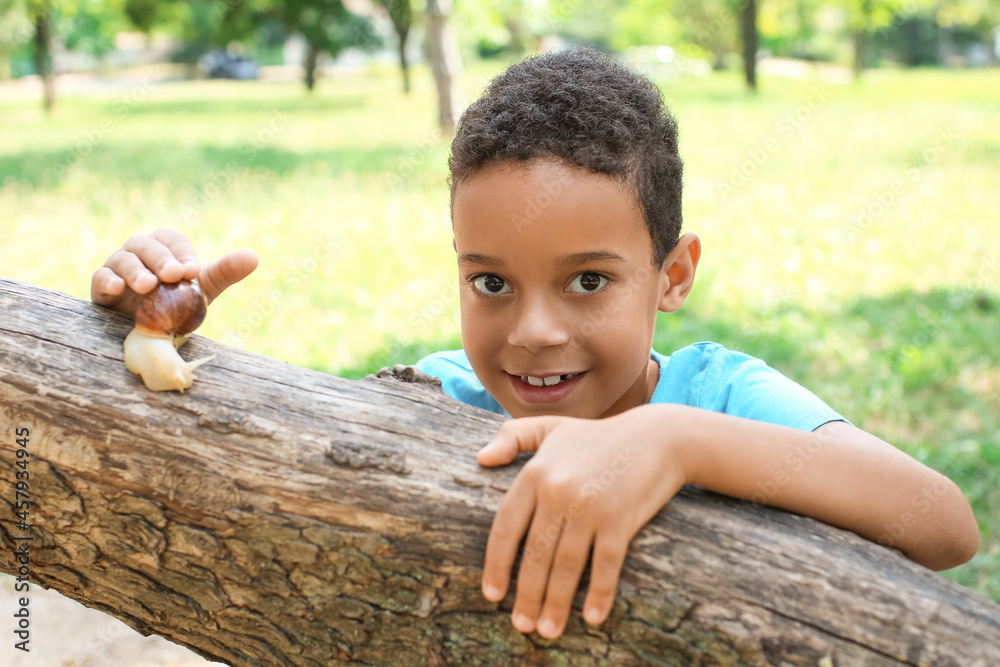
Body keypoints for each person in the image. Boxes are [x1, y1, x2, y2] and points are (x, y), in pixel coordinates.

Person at [92, 48, 979, 642]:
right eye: (491, 282)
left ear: (673, 275)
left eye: (589, 280)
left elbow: (942, 524)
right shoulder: (439, 398)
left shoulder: (720, 398)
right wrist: (155, 332)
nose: (532, 331)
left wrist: (674, 440)